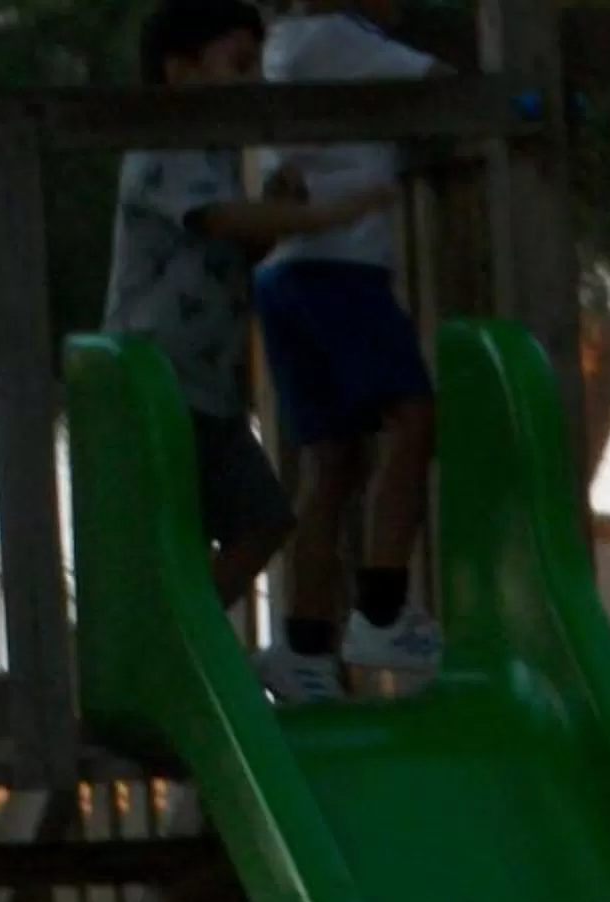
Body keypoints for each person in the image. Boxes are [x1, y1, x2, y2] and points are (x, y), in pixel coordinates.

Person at [106, 2, 389, 612]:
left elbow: (241, 242)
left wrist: (275, 204)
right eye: (240, 64)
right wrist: (325, 214)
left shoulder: (212, 154)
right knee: (238, 523)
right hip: (162, 385)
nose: (255, 79)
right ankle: (184, 636)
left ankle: (189, 631)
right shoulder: (164, 148)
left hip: (208, 392)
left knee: (261, 521)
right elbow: (228, 221)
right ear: (180, 72)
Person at [252, 0, 449, 703]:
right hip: (340, 268)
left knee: (333, 460)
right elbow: (442, 84)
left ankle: (305, 645)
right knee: (413, 416)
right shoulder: (341, 39)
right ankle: (382, 609)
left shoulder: (284, 42)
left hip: (286, 271)